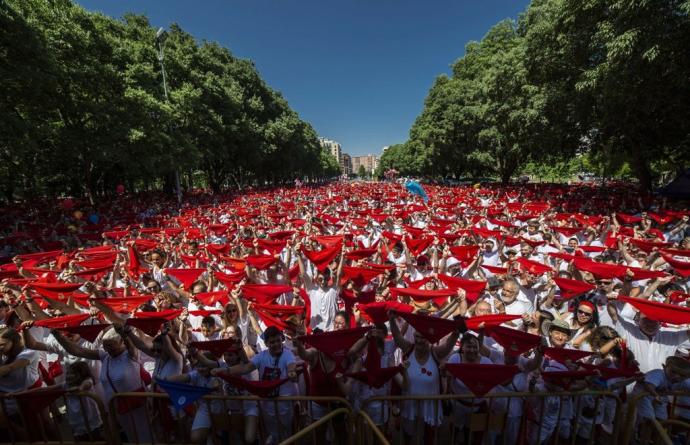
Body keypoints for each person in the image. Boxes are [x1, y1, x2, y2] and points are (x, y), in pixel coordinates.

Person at [51, 326, 153, 443]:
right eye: (105, 345)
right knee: (130, 437)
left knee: (143, 436)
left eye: (110, 345)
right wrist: (58, 337)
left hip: (136, 405)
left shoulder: (131, 355)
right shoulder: (105, 356)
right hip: (115, 407)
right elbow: (77, 351)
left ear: (121, 342)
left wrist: (124, 333)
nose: (107, 348)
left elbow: (131, 345)